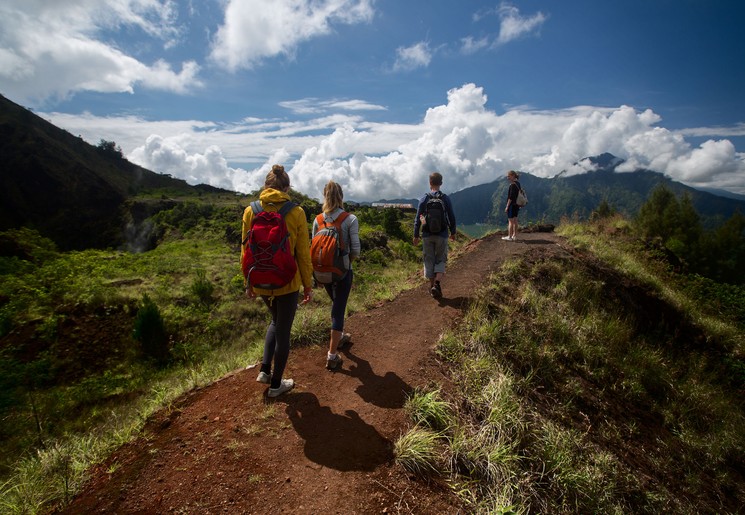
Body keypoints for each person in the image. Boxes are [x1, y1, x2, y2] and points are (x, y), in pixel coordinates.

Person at [241, 164, 313, 398]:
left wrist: (248, 282)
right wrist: (308, 284)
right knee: (283, 331)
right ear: (286, 187)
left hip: (260, 280)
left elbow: (244, 252)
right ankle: (276, 385)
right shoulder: (296, 212)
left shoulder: (250, 210)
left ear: (266, 185)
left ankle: (264, 370)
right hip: (287, 282)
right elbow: (303, 252)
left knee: (275, 320)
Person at [312, 181, 361, 371]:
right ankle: (332, 355)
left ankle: (339, 336)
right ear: (341, 196)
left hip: (322, 272)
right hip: (341, 272)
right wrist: (346, 263)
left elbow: (313, 247)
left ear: (324, 196)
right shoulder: (350, 219)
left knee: (336, 304)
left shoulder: (318, 220)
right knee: (338, 310)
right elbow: (355, 250)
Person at [413, 172, 456, 299]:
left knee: (429, 260)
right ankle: (437, 284)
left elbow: (417, 218)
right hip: (442, 234)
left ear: (430, 183)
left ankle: (432, 286)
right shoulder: (445, 198)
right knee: (441, 259)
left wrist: (416, 235)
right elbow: (451, 216)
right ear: (441, 183)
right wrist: (453, 232)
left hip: (426, 234)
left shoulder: (424, 198)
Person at [503, 170, 521, 241]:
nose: (508, 178)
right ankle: (515, 235)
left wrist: (507, 206)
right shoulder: (518, 184)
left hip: (511, 205)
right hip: (516, 205)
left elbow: (511, 197)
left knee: (510, 221)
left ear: (513, 176)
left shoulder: (512, 185)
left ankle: (509, 237)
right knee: (515, 220)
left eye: (509, 176)